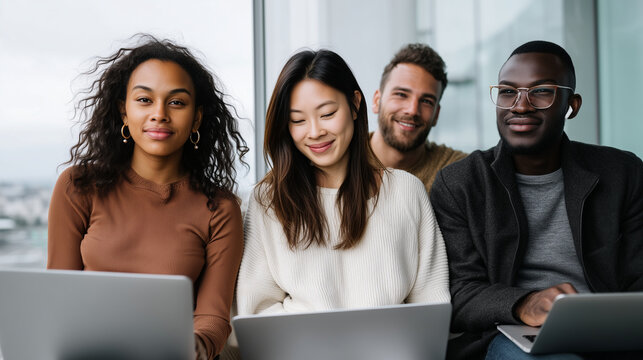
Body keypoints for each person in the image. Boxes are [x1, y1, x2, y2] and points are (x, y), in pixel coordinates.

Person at [430, 40, 643, 360]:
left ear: (572, 105)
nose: (520, 105)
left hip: (611, 332)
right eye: (507, 91)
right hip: (511, 334)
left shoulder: (622, 173)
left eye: (541, 91)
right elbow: (460, 292)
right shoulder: (461, 184)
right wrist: (525, 303)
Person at [47, 35, 248, 360]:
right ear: (123, 112)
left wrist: (193, 346)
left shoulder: (220, 208)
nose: (159, 114)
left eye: (177, 102)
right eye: (144, 100)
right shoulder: (78, 186)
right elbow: (56, 298)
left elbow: (213, 316)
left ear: (196, 118)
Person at [235, 49, 450, 319]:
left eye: (327, 114)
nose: (314, 132)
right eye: (298, 120)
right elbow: (257, 310)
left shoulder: (407, 191)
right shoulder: (268, 200)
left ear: (355, 103)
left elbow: (431, 305)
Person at [370, 43, 466, 193]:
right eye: (401, 94)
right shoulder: (340, 160)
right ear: (377, 101)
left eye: (427, 101)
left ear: (436, 114)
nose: (413, 110)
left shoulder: (455, 169)